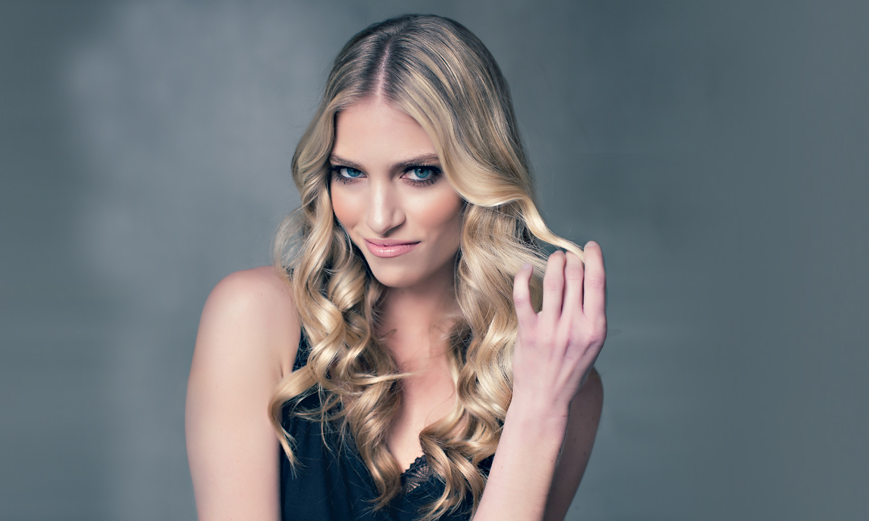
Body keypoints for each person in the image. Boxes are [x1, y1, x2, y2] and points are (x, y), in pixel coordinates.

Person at [186, 14, 606, 521]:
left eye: (419, 173)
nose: (380, 218)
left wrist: (537, 413)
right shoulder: (252, 319)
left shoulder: (557, 381)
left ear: (479, 176)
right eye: (350, 173)